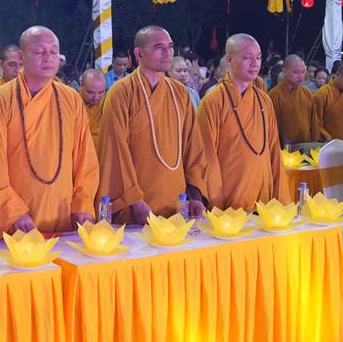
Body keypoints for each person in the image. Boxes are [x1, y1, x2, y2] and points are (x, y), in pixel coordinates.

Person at [0, 26, 99, 232]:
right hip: (17, 224)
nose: (48, 58)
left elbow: (85, 159)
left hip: (64, 216)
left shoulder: (71, 99)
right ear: (21, 57)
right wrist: (13, 211)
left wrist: (83, 204)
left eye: (53, 52)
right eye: (40, 51)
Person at [97, 26, 210, 224]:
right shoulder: (121, 93)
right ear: (139, 53)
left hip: (177, 205)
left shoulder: (180, 93)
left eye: (170, 47)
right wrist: (134, 201)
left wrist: (195, 196)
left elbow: (194, 148)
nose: (168, 53)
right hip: (137, 207)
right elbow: (115, 153)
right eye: (159, 47)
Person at [197, 34, 283, 210]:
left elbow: (274, 151)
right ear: (229, 59)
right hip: (229, 199)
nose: (255, 63)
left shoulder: (264, 101)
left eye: (258, 57)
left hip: (263, 200)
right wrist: (216, 203)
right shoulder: (213, 101)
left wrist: (280, 198)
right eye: (247, 57)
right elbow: (207, 158)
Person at [268, 55, 319, 148]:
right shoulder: (274, 95)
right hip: (285, 148)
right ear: (284, 71)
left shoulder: (307, 93)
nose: (300, 76)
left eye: (303, 72)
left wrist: (313, 144)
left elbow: (314, 122)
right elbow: (272, 127)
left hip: (306, 146)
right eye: (296, 72)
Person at [313, 60, 343, 145]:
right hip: (330, 144)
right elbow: (316, 122)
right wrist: (329, 139)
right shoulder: (322, 94)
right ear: (337, 74)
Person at [79, 68, 107, 153]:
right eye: (90, 93)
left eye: (101, 92)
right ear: (81, 86)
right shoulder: (73, 105)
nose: (96, 97)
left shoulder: (107, 104)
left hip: (102, 153)